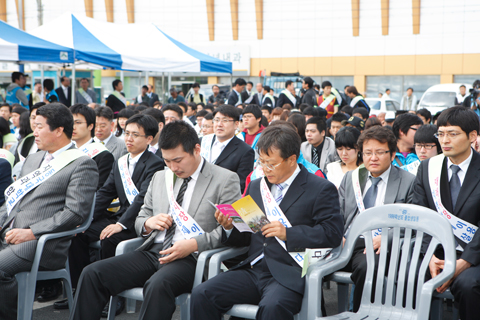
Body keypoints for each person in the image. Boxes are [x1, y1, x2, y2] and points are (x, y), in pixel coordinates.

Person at [70, 120, 241, 320]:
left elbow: (233, 228)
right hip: (153, 251)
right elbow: (141, 216)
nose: (173, 167)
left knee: (158, 285)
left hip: (191, 258)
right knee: (92, 273)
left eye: (178, 160)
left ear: (196, 149)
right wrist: (148, 223)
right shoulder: (161, 176)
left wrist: (193, 244)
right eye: (167, 161)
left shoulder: (225, 179)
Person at [190, 125, 344, 320]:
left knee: (273, 307)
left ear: (291, 160)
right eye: (261, 162)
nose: (264, 169)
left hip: (289, 273)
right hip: (253, 269)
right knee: (202, 294)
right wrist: (230, 227)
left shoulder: (320, 188)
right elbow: (249, 233)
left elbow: (332, 233)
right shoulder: (256, 186)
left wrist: (288, 233)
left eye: (271, 163)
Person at [0, 103, 98, 320]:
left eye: (39, 127)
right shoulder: (34, 158)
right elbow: (14, 201)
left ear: (59, 130)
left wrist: (32, 232)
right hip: (10, 232)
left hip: (42, 242)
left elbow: (74, 213)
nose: (34, 132)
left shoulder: (82, 164)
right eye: (34, 126)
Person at [65, 114, 164, 312]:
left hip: (141, 221)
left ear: (149, 139)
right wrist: (84, 219)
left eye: (135, 135)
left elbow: (142, 199)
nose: (129, 138)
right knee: (77, 234)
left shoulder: (155, 163)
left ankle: (113, 296)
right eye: (127, 133)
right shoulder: (121, 161)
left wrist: (121, 224)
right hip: (121, 216)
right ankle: (80, 288)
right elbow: (105, 193)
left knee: (111, 238)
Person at [412, 107, 480, 320]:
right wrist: (429, 256)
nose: (445, 140)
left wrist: (464, 262)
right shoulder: (427, 168)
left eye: (452, 134)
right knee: (406, 275)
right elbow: (419, 216)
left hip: (474, 254)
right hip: (436, 251)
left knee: (469, 286)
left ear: (472, 136)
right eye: (440, 134)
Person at [338, 125, 415, 312]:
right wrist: (337, 235)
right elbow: (336, 214)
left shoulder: (408, 181)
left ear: (393, 153)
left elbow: (414, 222)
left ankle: (360, 314)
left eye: (380, 152)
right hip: (345, 242)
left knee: (368, 265)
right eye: (367, 153)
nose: (373, 158)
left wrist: (387, 237)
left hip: (378, 244)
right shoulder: (351, 178)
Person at [200, 105, 254, 192]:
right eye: (216, 120)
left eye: (225, 120)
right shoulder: (202, 142)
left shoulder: (245, 151)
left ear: (236, 124)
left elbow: (240, 184)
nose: (219, 124)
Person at [70, 104, 114, 190]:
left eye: (78, 122)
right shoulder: (66, 151)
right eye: (71, 123)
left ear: (91, 126)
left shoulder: (103, 156)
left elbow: (100, 190)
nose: (73, 127)